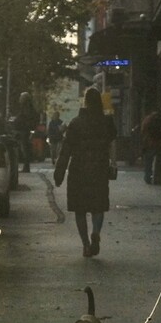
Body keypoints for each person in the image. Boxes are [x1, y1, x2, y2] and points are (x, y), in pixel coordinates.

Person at [53, 87, 116, 258]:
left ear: (85, 102)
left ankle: (86, 245)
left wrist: (59, 174)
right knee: (98, 206)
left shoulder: (75, 123)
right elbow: (111, 145)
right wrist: (113, 164)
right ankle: (96, 231)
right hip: (99, 170)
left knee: (80, 210)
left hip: (78, 171)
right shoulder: (107, 122)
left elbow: (65, 151)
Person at [140, 109, 161, 185]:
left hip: (150, 143)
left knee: (148, 161)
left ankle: (147, 177)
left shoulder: (148, 119)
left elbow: (143, 130)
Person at [13, 92, 39, 173]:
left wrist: (30, 130)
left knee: (25, 149)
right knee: (23, 149)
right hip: (22, 131)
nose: (19, 99)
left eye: (21, 97)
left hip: (24, 131)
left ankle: (26, 167)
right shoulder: (25, 107)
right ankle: (25, 166)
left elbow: (27, 120)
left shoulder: (27, 108)